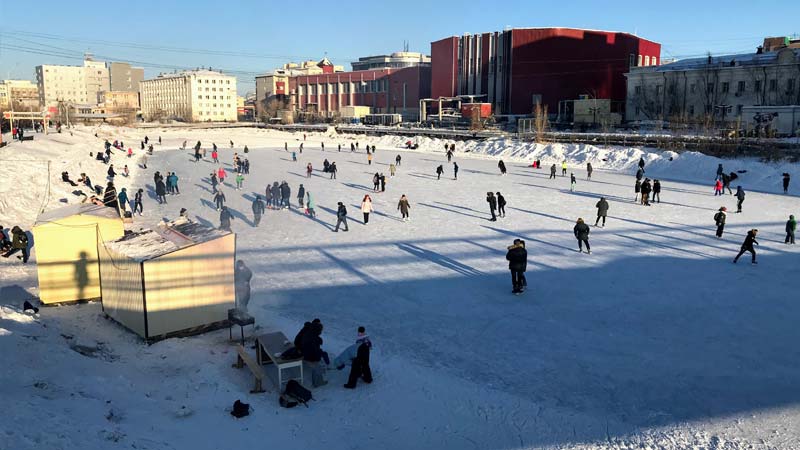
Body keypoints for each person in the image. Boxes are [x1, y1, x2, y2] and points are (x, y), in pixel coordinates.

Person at [300, 321, 327, 387]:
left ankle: (317, 382)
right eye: (320, 330)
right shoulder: (314, 338)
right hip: (309, 357)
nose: (321, 331)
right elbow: (314, 352)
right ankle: (318, 383)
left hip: (305, 353)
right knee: (318, 368)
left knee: (317, 366)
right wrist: (319, 357)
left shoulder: (309, 333)